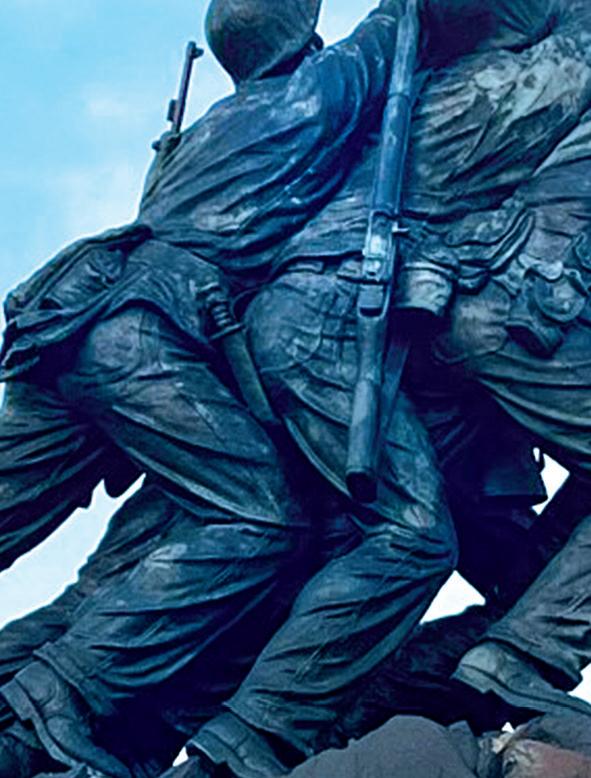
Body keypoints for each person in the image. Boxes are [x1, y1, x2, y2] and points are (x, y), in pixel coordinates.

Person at [0, 1, 483, 776]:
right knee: (258, 517)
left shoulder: (209, 127)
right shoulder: (321, 90)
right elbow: (403, 18)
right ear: (299, 37)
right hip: (140, 333)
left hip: (69, 312)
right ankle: (54, 700)